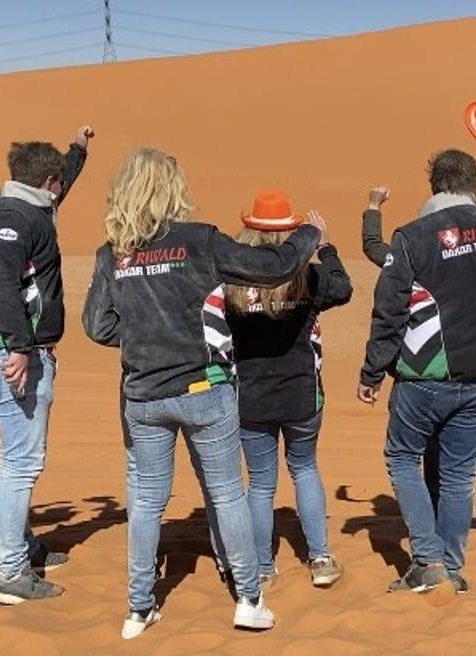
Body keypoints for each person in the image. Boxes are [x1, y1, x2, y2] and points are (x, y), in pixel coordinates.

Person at [83, 147, 323, 639]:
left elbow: (96, 324)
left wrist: (144, 336)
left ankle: (138, 608)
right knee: (227, 492)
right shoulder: (198, 240)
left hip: (144, 394)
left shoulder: (114, 251)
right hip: (202, 389)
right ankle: (249, 600)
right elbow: (273, 267)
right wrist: (309, 235)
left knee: (147, 501)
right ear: (172, 187)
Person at [358, 115, 476, 594]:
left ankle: (428, 562)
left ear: (433, 184)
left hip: (422, 379)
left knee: (401, 459)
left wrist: (372, 373)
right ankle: (452, 569)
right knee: (458, 474)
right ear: (474, 184)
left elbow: (388, 310)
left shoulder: (412, 238)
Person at [362, 184, 476, 534]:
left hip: (433, 367)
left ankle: (432, 523)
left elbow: (373, 249)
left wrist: (373, 207)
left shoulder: (415, 251)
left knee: (424, 445)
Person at [0, 126, 92, 605]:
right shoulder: (12, 221)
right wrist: (22, 347)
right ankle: (12, 572)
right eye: (60, 181)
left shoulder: (31, 207)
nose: (62, 189)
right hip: (11, 358)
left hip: (22, 352)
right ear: (49, 183)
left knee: (17, 459)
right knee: (21, 463)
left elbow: (63, 183)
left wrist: (78, 151)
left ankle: (22, 546)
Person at [224, 191, 353, 589]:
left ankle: (262, 567)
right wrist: (327, 248)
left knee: (261, 483)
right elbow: (343, 288)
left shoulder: (233, 282)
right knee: (305, 469)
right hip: (301, 396)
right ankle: (320, 558)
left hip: (252, 398)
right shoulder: (308, 277)